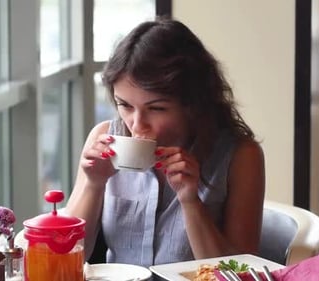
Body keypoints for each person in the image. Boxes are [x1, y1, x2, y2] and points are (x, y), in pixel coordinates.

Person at [66, 18, 265, 267]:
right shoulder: (104, 139)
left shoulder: (240, 156)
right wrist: (93, 185)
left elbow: (239, 273)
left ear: (193, 104)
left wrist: (190, 201)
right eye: (125, 105)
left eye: (156, 108)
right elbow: (65, 256)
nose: (137, 125)